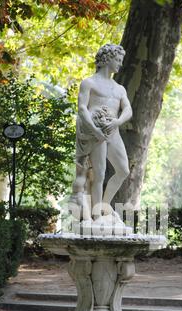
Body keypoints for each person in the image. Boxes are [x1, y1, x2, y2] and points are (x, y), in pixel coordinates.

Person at [70, 44, 132, 222]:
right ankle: (97, 214)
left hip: (113, 131)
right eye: (118, 60)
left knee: (123, 171)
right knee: (99, 173)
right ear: (107, 59)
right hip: (94, 132)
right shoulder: (89, 83)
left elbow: (128, 109)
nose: (120, 64)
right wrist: (95, 130)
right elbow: (82, 108)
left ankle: (104, 206)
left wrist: (118, 121)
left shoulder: (120, 88)